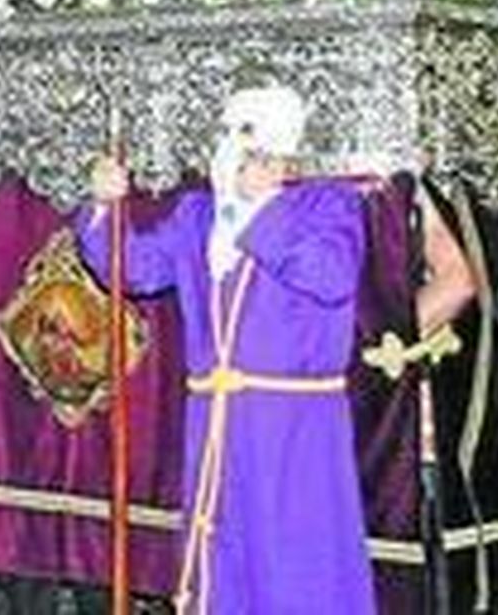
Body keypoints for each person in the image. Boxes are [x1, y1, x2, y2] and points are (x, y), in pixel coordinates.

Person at [80, 82, 374, 614]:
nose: (235, 147)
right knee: (222, 554)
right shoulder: (198, 214)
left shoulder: (327, 203)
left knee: (293, 560)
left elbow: (331, 277)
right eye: (230, 133)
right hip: (214, 419)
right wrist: (104, 207)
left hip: (292, 427)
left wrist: (259, 210)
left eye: (249, 134)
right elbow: (133, 268)